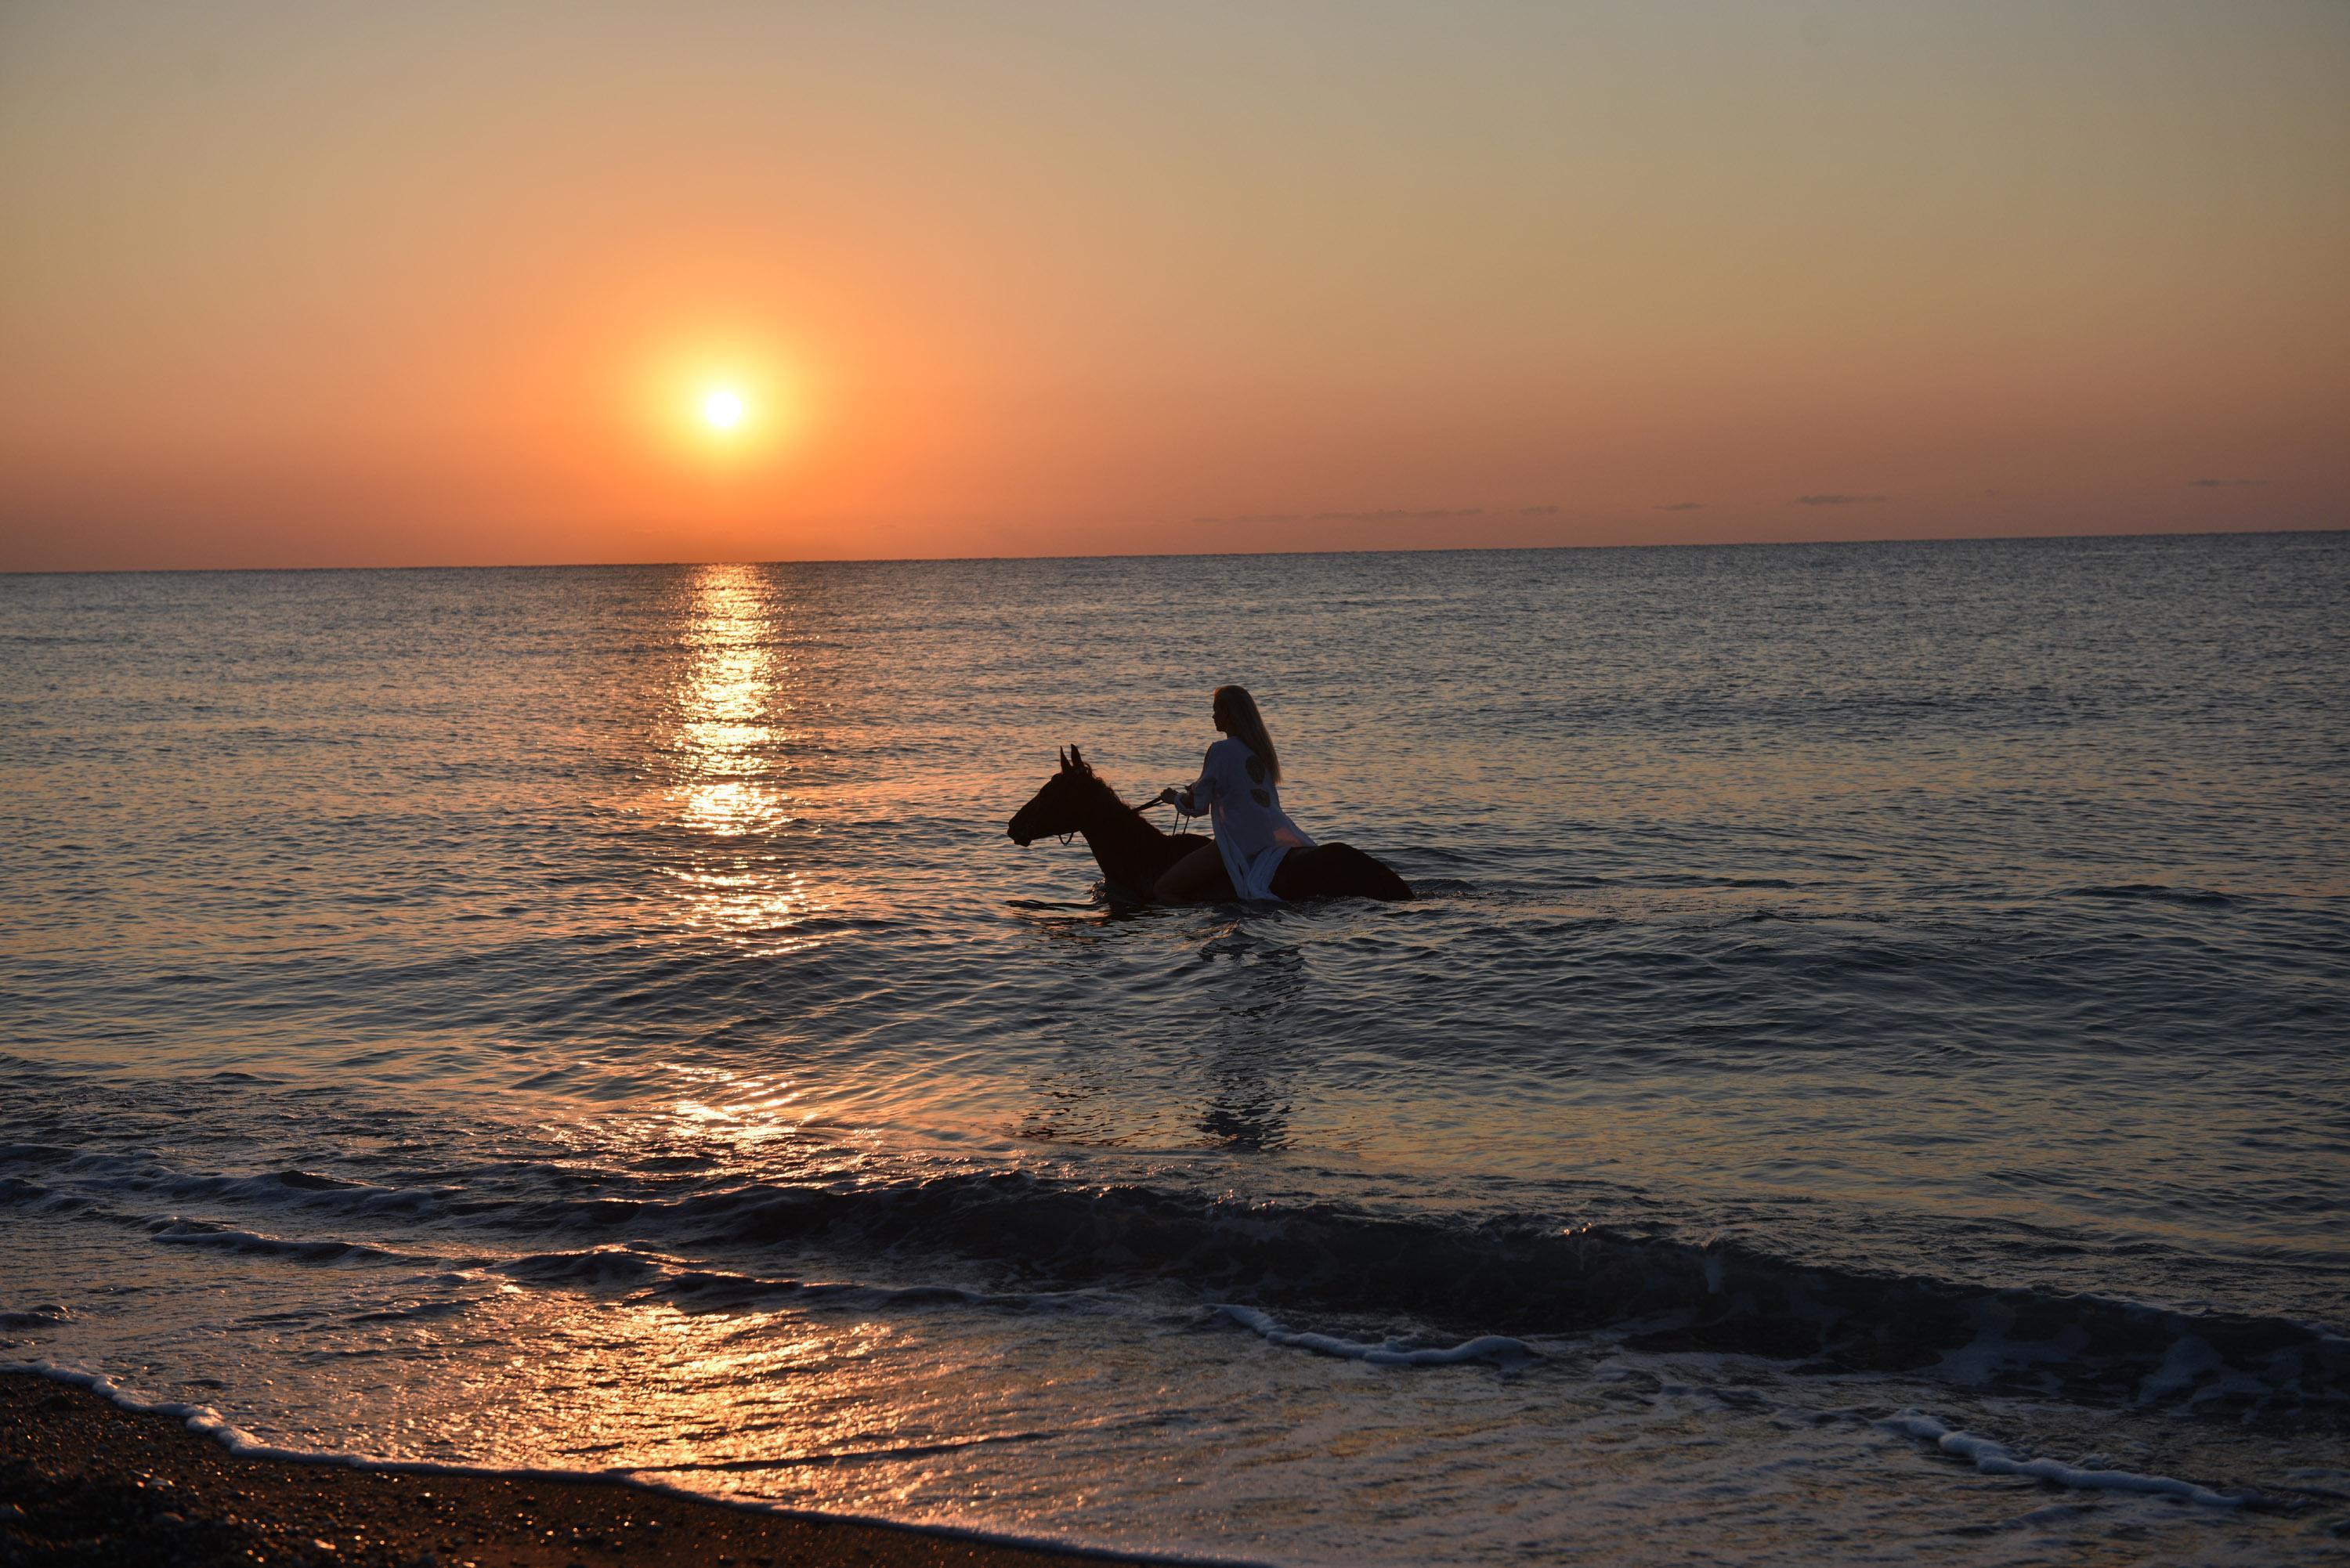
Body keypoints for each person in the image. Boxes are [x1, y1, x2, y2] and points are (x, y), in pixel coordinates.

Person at [1152, 685, 1316, 903]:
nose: (1212, 716)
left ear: (1228, 713)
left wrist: (1174, 798)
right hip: (1269, 836)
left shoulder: (1220, 749)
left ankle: (1196, 931)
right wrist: (1198, 787)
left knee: (1164, 888)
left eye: (1216, 710)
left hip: (1239, 840)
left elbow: (1198, 806)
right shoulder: (1260, 751)